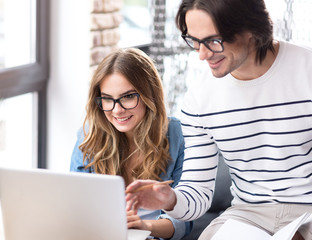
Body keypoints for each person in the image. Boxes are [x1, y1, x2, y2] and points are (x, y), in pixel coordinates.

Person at [125, 0, 312, 239]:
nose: (202, 55)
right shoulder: (200, 97)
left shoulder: (307, 68)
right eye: (194, 41)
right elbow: (197, 195)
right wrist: (170, 199)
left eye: (213, 41)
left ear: (251, 28)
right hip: (248, 215)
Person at [70, 48, 193, 240]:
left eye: (128, 97)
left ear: (148, 95)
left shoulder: (177, 135)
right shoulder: (89, 136)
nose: (117, 110)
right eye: (108, 99)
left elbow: (184, 222)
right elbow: (76, 206)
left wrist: (144, 226)